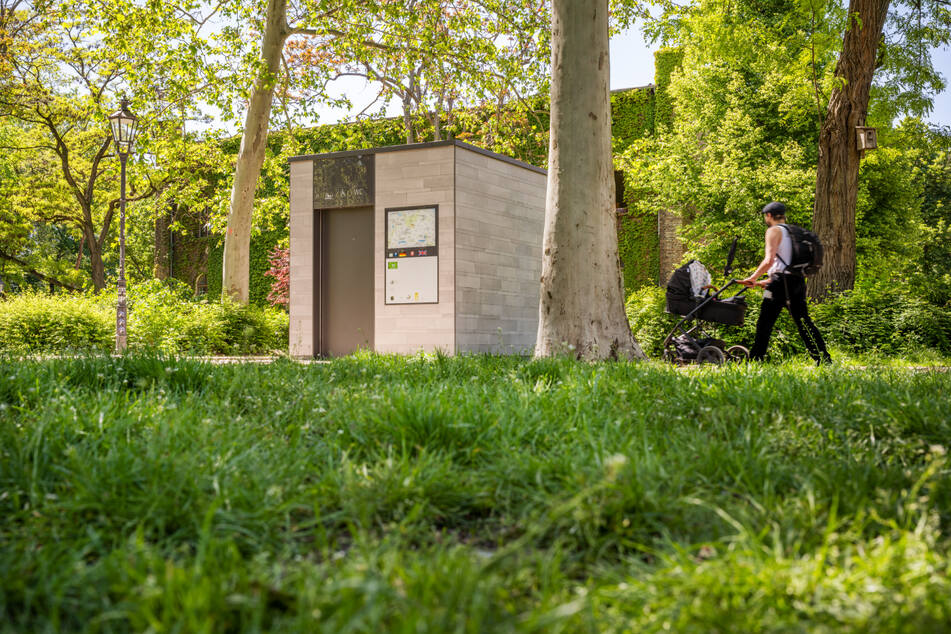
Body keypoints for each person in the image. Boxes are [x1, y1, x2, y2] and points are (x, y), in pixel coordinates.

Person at [739, 202, 832, 365]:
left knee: (764, 322)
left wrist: (752, 278)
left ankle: (755, 360)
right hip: (797, 281)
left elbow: (769, 260)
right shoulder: (793, 232)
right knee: (803, 321)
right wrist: (764, 282)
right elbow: (785, 267)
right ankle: (824, 359)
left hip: (780, 284)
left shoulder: (773, 231)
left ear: (768, 215)